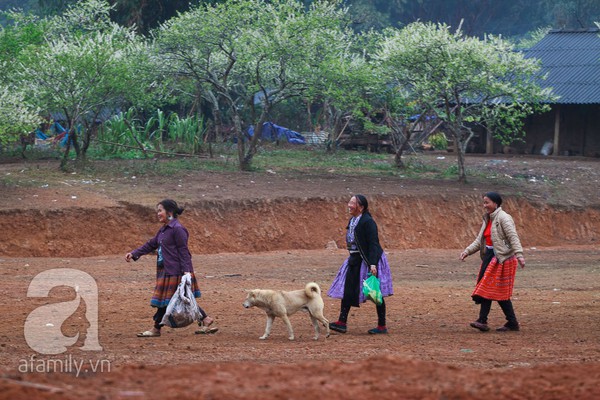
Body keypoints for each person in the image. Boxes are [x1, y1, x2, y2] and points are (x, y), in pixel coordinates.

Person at [125, 199, 217, 337]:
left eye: (160, 210)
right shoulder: (163, 230)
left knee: (167, 301)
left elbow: (183, 251)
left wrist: (186, 272)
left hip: (177, 272)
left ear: (169, 212)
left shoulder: (178, 229)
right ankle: (205, 319)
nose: (158, 214)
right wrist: (134, 254)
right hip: (165, 271)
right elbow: (151, 244)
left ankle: (156, 329)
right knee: (178, 299)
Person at [459, 192, 526, 332]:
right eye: (484, 202)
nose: (485, 206)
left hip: (502, 258)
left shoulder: (504, 218)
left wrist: (519, 255)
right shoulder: (488, 219)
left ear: (496, 203)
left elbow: (513, 237)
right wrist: (467, 251)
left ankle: (484, 321)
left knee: (490, 290)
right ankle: (509, 322)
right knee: (491, 290)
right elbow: (480, 240)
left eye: (487, 202)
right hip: (490, 257)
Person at [327, 194, 394, 334]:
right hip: (354, 259)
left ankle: (382, 326)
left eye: (353, 203)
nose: (349, 205)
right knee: (348, 288)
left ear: (361, 207)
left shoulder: (368, 222)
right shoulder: (353, 220)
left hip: (368, 261)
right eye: (350, 202)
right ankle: (342, 322)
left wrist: (373, 264)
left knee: (374, 292)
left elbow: (373, 244)